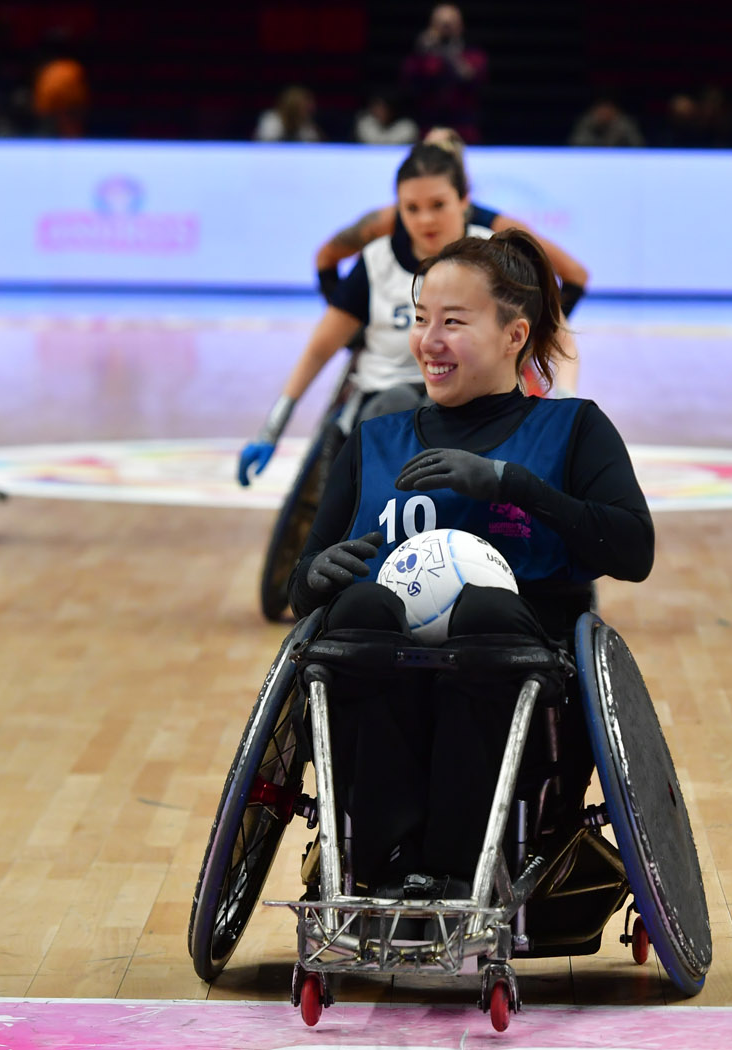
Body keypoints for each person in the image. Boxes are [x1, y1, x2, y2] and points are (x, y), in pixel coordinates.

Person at [288, 229, 653, 889]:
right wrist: (313, 578)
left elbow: (633, 551)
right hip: (385, 660)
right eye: (420, 318)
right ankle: (381, 861)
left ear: (514, 336)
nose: (429, 339)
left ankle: (462, 866)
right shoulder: (374, 440)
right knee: (363, 606)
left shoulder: (573, 429)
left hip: (517, 667)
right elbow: (302, 587)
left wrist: (515, 487)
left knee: (486, 611)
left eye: (453, 322)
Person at [237, 143, 489, 487]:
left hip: (471, 400)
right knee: (398, 405)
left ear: (464, 201)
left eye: (438, 205)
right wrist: (271, 431)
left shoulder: (494, 254)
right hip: (384, 402)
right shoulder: (376, 261)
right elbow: (318, 350)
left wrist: (561, 406)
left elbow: (552, 328)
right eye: (411, 208)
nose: (425, 219)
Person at [313, 127, 591, 342]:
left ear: (460, 184)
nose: (425, 220)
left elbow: (575, 274)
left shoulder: (499, 229)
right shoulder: (388, 220)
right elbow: (326, 256)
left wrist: (535, 337)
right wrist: (355, 330)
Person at [400, 4, 487, 143]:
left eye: (450, 24)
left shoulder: (473, 55)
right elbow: (408, 84)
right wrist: (421, 51)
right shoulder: (421, 56)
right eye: (441, 24)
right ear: (431, 26)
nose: (446, 29)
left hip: (464, 130)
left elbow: (470, 77)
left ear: (461, 26)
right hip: (427, 129)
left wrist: (447, 53)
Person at [569, 97, 646, 148]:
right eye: (601, 111)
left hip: (620, 158)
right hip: (592, 158)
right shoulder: (587, 122)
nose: (604, 114)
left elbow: (638, 144)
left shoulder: (624, 124)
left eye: (608, 110)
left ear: (615, 111)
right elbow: (576, 143)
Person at [254, 86, 321, 143]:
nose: (311, 108)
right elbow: (265, 146)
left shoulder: (307, 125)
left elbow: (314, 147)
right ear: (293, 106)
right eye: (304, 106)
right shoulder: (271, 120)